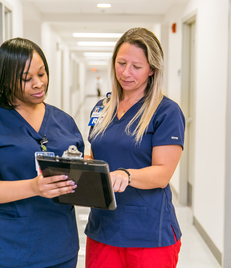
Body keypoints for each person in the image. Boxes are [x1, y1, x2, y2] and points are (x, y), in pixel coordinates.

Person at [0, 38, 83, 268]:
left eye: (42, 74)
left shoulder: (64, 121)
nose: (38, 84)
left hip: (59, 246)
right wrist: (34, 187)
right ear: (6, 80)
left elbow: (75, 178)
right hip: (2, 249)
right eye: (26, 79)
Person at [85, 27, 185, 268]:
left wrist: (126, 175)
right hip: (103, 228)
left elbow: (162, 174)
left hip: (148, 234)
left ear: (152, 69)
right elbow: (96, 153)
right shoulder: (102, 107)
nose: (126, 73)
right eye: (121, 63)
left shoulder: (166, 112)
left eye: (136, 67)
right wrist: (80, 168)